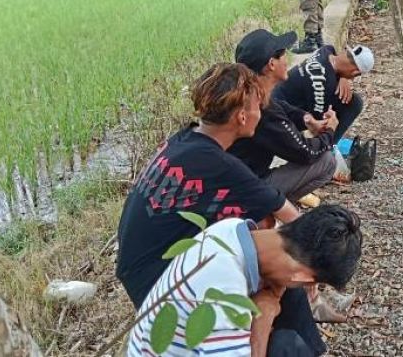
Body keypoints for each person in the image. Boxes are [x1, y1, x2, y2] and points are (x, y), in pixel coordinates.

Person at [116, 63, 300, 309]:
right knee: (277, 258)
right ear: (242, 117)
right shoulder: (218, 164)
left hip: (135, 271)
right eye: (259, 105)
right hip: (157, 289)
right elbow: (290, 216)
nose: (261, 111)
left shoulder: (184, 140)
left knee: (258, 222)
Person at [128, 205, 363, 357]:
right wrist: (262, 320)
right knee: (287, 346)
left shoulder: (231, 228)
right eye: (310, 283)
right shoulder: (224, 288)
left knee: (284, 293)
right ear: (301, 277)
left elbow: (281, 279)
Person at [228, 29, 338, 202]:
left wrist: (307, 119)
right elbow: (305, 152)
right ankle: (269, 210)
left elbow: (281, 107)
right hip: (245, 190)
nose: (287, 60)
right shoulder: (260, 110)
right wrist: (329, 132)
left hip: (231, 181)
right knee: (327, 160)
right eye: (284, 55)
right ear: (272, 63)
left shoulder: (243, 94)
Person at [273, 43, 374, 142]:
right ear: (354, 73)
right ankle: (325, 151)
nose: (351, 79)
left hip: (277, 95)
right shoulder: (323, 86)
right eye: (354, 76)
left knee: (354, 102)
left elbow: (336, 55)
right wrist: (330, 126)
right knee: (330, 123)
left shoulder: (326, 50)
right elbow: (318, 127)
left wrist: (343, 77)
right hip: (279, 117)